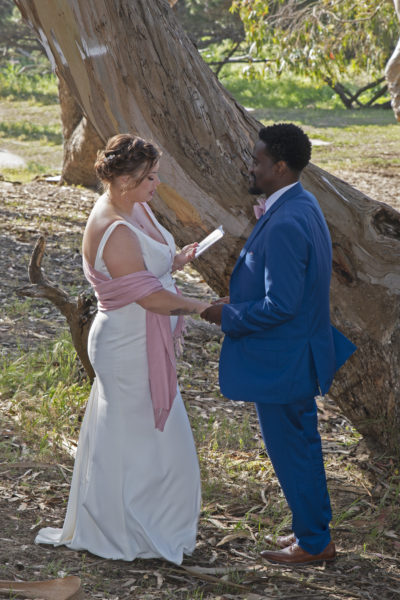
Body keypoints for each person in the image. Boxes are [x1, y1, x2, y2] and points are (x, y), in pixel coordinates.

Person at [35, 133, 211, 563]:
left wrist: (176, 259)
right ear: (126, 179)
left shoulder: (137, 206)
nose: (156, 184)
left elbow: (149, 263)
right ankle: (121, 530)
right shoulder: (111, 225)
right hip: (127, 345)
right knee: (133, 438)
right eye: (150, 177)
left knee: (151, 436)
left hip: (143, 339)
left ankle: (150, 523)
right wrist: (204, 307)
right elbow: (149, 297)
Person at [201, 123, 356, 565]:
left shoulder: (288, 219)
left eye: (258, 161)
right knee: (299, 448)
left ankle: (314, 541)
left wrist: (228, 314)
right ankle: (312, 533)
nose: (251, 168)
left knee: (294, 453)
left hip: (284, 360)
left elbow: (282, 304)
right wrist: (240, 300)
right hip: (292, 353)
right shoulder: (301, 203)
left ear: (280, 167)